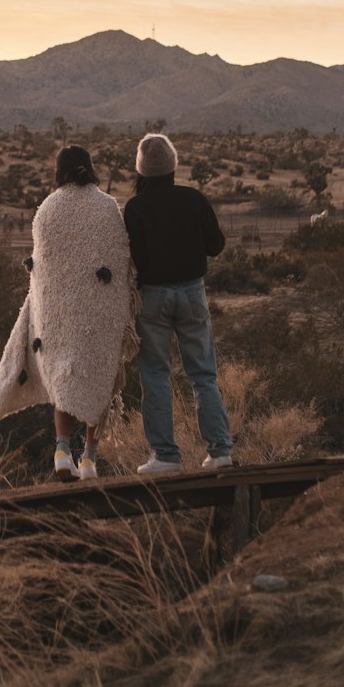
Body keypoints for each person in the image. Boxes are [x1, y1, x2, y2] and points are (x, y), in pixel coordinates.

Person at [0, 144, 134, 482]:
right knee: (98, 375)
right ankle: (89, 458)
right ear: (89, 168)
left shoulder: (47, 209)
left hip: (58, 312)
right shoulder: (107, 207)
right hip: (99, 310)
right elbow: (121, 257)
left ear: (58, 171)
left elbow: (43, 268)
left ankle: (62, 452)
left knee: (65, 376)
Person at [123, 132, 233, 474]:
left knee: (155, 375)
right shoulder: (194, 199)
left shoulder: (136, 207)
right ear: (173, 165)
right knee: (202, 374)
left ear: (142, 169)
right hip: (192, 292)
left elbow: (133, 259)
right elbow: (215, 245)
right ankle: (219, 451)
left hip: (153, 297)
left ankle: (166, 456)